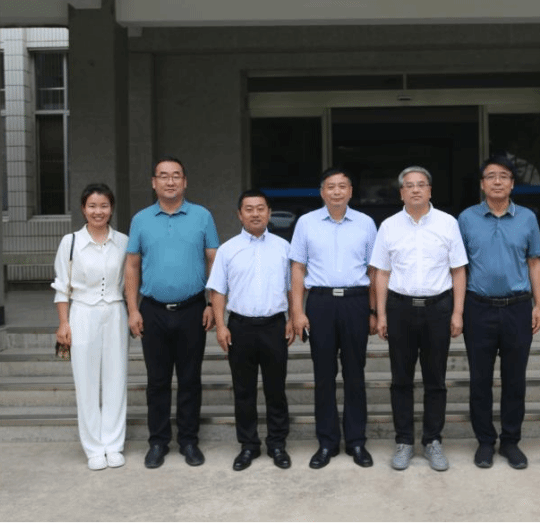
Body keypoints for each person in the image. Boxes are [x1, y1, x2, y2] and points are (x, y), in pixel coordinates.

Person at [370, 166, 468, 472]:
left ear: (429, 190)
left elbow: (458, 270)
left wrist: (458, 312)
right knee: (401, 379)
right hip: (400, 308)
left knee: (435, 379)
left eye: (421, 184)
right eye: (409, 185)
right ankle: (404, 441)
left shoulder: (448, 223)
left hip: (438, 308)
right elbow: (381, 273)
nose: (415, 189)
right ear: (401, 192)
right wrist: (381, 314)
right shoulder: (388, 226)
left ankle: (432, 440)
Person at [125, 156, 220, 469]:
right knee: (157, 381)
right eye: (163, 176)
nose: (170, 181)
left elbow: (214, 261)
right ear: (154, 182)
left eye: (176, 176)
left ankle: (189, 441)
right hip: (152, 310)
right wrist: (132, 310)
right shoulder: (141, 219)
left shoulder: (202, 216)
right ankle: (158, 442)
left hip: (193, 309)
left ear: (185, 182)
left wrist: (212, 304)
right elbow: (132, 266)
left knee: (190, 379)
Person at [458, 155, 540, 470]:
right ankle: (484, 441)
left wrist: (539, 305)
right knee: (480, 380)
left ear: (512, 183)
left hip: (517, 308)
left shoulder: (528, 218)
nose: (497, 181)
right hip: (477, 308)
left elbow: (535, 262)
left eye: (504, 176)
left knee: (514, 379)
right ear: (482, 184)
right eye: (491, 176)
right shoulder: (466, 218)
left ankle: (510, 441)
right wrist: (458, 310)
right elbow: (459, 267)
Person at [289, 168, 378, 469]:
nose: (337, 191)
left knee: (355, 375)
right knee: (324, 376)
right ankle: (327, 442)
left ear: (350, 191)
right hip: (321, 303)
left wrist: (374, 311)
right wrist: (297, 311)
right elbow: (298, 268)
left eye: (342, 186)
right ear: (322, 192)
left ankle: (356, 441)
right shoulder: (306, 223)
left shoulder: (366, 223)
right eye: (331, 186)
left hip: (356, 302)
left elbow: (374, 270)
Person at [208, 189, 295, 471]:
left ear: (269, 213)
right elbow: (218, 290)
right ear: (239, 214)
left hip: (274, 326)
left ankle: (277, 444)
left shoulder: (284, 247)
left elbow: (293, 287)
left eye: (260, 208)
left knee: (275, 389)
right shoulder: (228, 249)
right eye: (249, 209)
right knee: (243, 390)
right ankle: (248, 445)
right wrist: (221, 326)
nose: (255, 214)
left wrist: (293, 318)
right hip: (240, 327)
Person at [52, 183, 129, 471]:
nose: (99, 211)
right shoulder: (70, 242)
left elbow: (131, 280)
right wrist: (63, 323)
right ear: (84, 209)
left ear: (112, 208)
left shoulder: (123, 241)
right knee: (85, 381)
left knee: (116, 379)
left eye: (104, 206)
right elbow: (62, 286)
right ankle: (94, 448)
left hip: (116, 312)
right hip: (82, 313)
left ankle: (114, 444)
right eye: (92, 206)